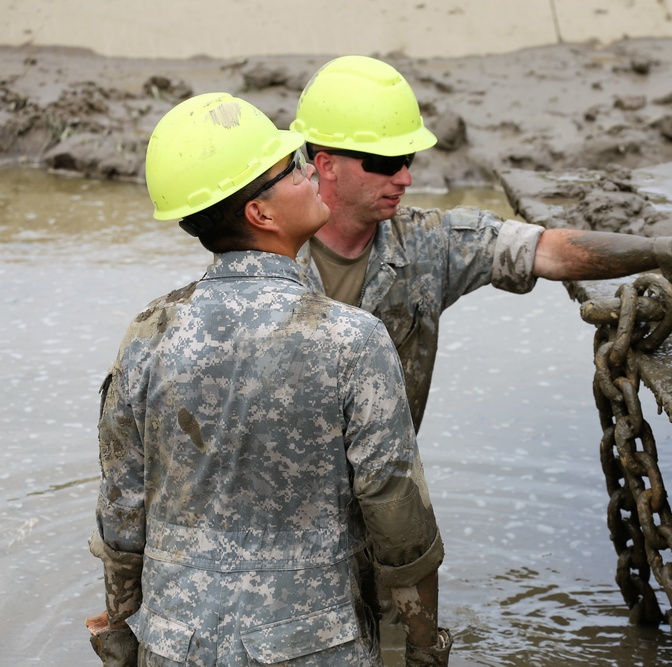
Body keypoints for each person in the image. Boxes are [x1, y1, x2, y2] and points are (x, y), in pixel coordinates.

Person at [86, 92, 451, 667]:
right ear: (261, 213)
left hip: (173, 642)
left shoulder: (149, 332)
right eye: (292, 170)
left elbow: (121, 511)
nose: (310, 172)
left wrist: (119, 633)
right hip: (311, 645)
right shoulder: (351, 338)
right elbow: (397, 516)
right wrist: (425, 646)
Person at [290, 55, 672, 433]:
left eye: (408, 159)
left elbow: (549, 250)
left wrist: (663, 250)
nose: (405, 178)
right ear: (326, 164)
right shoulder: (255, 254)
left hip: (380, 493)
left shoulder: (428, 246)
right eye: (385, 163)